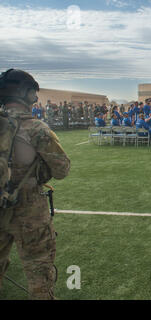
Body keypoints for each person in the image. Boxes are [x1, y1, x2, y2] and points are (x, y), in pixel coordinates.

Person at [0, 69, 71, 299]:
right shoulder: (36, 128)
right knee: (39, 276)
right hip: (29, 211)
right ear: (25, 94)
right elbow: (62, 169)